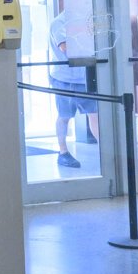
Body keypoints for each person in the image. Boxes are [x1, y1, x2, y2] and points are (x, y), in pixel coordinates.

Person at [49, 10, 99, 169]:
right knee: (64, 115)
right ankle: (63, 152)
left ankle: (105, 150)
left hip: (84, 77)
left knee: (94, 114)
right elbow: (66, 48)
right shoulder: (58, 23)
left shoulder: (87, 21)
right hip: (64, 79)